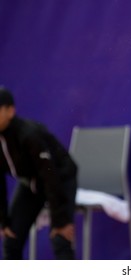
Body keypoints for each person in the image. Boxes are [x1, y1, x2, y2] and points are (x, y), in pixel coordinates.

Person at [0, 87, 77, 259]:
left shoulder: (29, 134)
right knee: (11, 240)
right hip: (30, 184)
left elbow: (50, 175)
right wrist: (3, 220)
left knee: (60, 237)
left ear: (10, 111)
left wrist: (60, 219)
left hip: (60, 180)